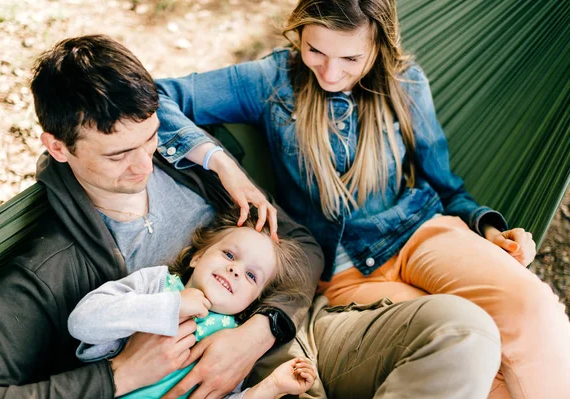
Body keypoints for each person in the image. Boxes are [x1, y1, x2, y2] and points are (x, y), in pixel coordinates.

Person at [0, 34, 501, 399]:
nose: (142, 164)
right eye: (117, 154)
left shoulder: (191, 170)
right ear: (58, 147)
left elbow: (299, 244)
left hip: (297, 332)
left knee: (465, 330)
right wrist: (116, 376)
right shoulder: (50, 265)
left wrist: (261, 331)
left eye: (151, 138)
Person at [153, 0, 570, 398]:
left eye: (350, 59)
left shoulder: (404, 82)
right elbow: (154, 95)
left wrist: (490, 229)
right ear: (299, 30)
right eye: (315, 49)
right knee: (470, 361)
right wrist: (223, 164)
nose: (331, 73)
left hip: (421, 232)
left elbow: (447, 187)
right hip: (346, 275)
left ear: (378, 46)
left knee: (534, 311)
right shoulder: (271, 80)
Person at [68, 208, 317, 399]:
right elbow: (82, 322)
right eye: (229, 255)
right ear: (197, 256)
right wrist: (172, 305)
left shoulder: (233, 344)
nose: (235, 270)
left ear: (253, 302)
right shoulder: (157, 285)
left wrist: (272, 386)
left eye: (252, 276)